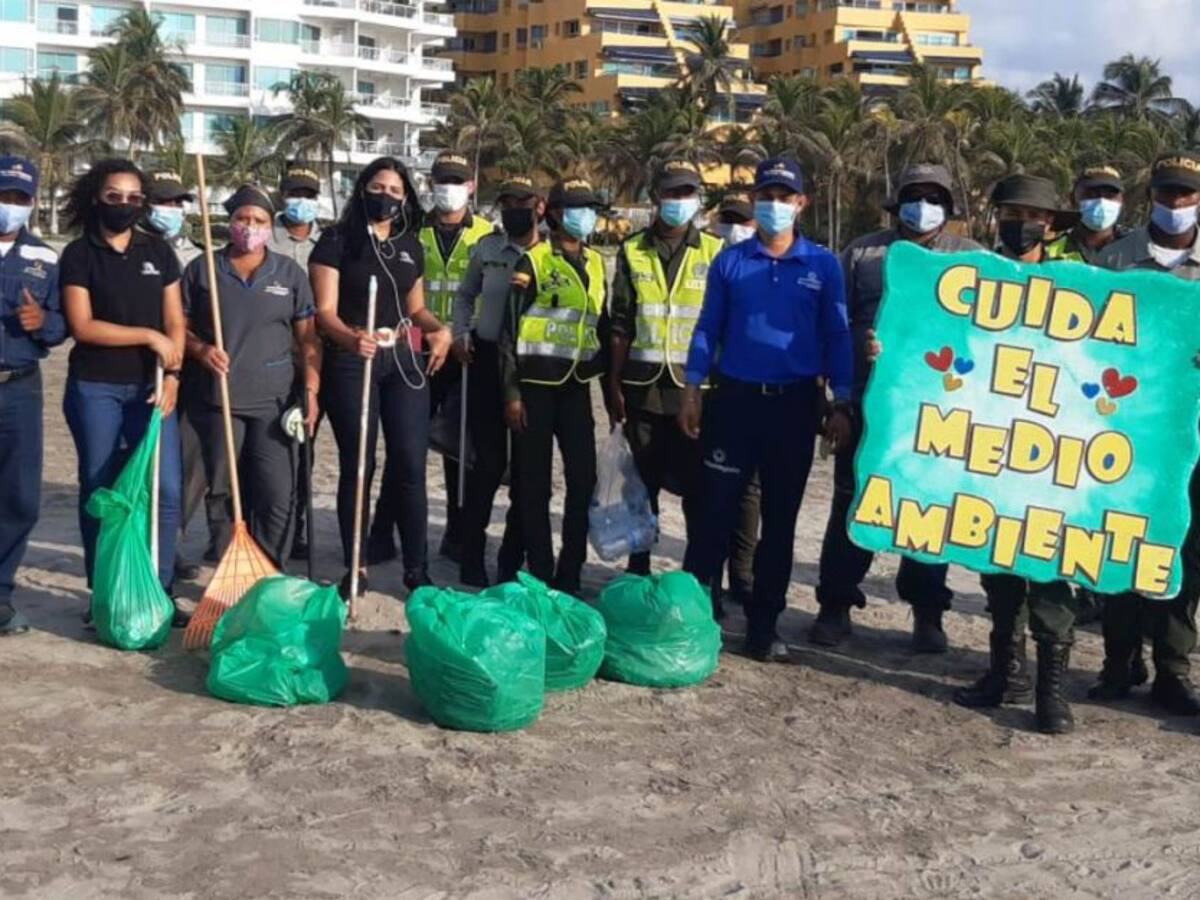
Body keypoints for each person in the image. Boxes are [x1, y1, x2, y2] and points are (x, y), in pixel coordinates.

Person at [679, 157, 853, 662]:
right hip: (733, 401)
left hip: (795, 406)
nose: (774, 205)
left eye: (784, 197)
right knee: (714, 513)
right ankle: (696, 615)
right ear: (754, 201)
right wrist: (692, 388)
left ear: (801, 203)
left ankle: (763, 624)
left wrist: (841, 401)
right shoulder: (730, 262)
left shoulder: (822, 265)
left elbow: (837, 334)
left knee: (780, 522)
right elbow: (708, 327)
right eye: (766, 196)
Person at [926, 174, 1080, 733]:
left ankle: (1050, 692)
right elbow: (939, 342)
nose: (1022, 225)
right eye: (1011, 214)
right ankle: (1004, 672)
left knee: (1050, 568)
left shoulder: (1079, 286)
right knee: (997, 563)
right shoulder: (974, 279)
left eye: (1032, 216)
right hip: (989, 447)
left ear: (1050, 225)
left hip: (1054, 453)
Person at [811, 164, 983, 654]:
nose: (923, 206)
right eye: (914, 195)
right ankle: (835, 605)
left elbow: (990, 336)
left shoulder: (973, 259)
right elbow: (834, 328)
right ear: (897, 203)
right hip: (868, 406)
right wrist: (839, 402)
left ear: (948, 207)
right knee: (853, 501)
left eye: (934, 197)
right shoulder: (862, 253)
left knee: (928, 509)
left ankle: (928, 612)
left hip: (941, 409)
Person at [310, 156, 452, 594]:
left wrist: (439, 329)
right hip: (353, 359)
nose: (385, 197)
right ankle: (356, 565)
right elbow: (324, 312)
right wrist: (351, 338)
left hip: (401, 360)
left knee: (409, 460)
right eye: (377, 188)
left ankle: (416, 570)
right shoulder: (336, 241)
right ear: (361, 190)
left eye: (395, 191)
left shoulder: (410, 246)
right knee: (360, 463)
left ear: (406, 198)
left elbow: (416, 308)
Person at [1090, 152, 1200, 715]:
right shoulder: (1115, 258)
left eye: (1186, 194)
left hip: (1192, 437)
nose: (1176, 203)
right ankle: (1118, 663)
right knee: (1118, 542)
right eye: (1166, 193)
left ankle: (1173, 670)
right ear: (1149, 195)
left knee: (1184, 551)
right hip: (1123, 430)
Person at [59, 158, 186, 624]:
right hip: (96, 387)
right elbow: (83, 325)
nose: (124, 204)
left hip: (152, 388)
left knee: (166, 488)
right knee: (100, 487)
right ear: (97, 197)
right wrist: (148, 337)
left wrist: (173, 375)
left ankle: (160, 588)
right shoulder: (79, 254)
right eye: (115, 196)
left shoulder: (158, 251)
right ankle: (105, 592)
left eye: (134, 197)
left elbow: (175, 321)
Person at [182, 184, 321, 567]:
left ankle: (270, 567)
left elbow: (308, 338)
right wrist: (201, 350)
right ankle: (229, 563)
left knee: (277, 492)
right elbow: (181, 328)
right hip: (220, 399)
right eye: (242, 218)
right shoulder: (204, 269)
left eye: (259, 220)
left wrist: (311, 389)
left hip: (273, 403)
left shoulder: (288, 273)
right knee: (224, 489)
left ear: (270, 224)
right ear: (230, 222)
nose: (250, 226)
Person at [370, 151, 494, 567]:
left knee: (461, 450)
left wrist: (460, 336)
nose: (448, 188)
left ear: (470, 187)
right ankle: (383, 531)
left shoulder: (486, 236)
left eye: (457, 181)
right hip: (415, 351)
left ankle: (458, 534)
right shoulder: (410, 230)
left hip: (464, 352)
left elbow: (487, 296)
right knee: (406, 447)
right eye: (442, 180)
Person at [607, 159, 724, 584]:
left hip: (695, 392)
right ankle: (638, 570)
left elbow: (722, 323)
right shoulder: (632, 249)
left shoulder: (715, 251)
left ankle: (698, 578)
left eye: (686, 193)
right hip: (642, 387)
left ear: (698, 199)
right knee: (641, 486)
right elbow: (621, 323)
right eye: (671, 192)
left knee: (699, 490)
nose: (678, 200)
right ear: (656, 196)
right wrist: (613, 384)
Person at [500, 176, 611, 593]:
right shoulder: (534, 261)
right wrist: (512, 393)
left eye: (590, 208)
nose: (586, 216)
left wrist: (611, 392)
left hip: (576, 386)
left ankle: (571, 570)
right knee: (534, 486)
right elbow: (510, 332)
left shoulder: (596, 262)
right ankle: (541, 570)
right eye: (578, 208)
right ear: (557, 213)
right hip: (534, 387)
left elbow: (600, 326)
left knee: (582, 481)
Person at [448, 175, 541, 586]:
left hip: (534, 369)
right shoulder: (487, 248)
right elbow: (465, 294)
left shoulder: (550, 253)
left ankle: (510, 561)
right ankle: (471, 557)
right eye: (507, 203)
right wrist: (459, 332)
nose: (514, 210)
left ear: (538, 206)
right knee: (485, 467)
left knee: (525, 471)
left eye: (522, 202)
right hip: (486, 361)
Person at [0, 157, 64, 635]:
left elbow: (63, 324)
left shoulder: (45, 258)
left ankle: (0, 593)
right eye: (3, 195)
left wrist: (43, 323)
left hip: (19, 387)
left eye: (19, 198)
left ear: (33, 202)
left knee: (19, 495)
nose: (10, 205)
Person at [144, 169, 203, 581]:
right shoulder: (136, 246)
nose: (172, 209)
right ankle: (142, 541)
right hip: (144, 368)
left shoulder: (191, 253)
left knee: (185, 465)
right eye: (163, 202)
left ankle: (170, 543)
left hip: (186, 369)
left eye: (177, 203)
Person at [705, 191, 762, 610]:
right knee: (714, 488)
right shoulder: (710, 258)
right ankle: (710, 579)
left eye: (743, 220)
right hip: (708, 386)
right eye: (728, 219)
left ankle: (742, 574)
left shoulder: (764, 263)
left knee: (749, 491)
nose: (735, 227)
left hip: (749, 387)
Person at [269, 163, 324, 563]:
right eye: (294, 193)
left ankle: (296, 527)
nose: (300, 201)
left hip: (313, 357)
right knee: (265, 447)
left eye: (308, 195)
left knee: (303, 445)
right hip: (268, 356)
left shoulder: (328, 242)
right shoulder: (264, 237)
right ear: (281, 196)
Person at [1046, 165, 1127, 264]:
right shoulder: (1050, 253)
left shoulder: (1135, 248)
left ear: (1122, 201)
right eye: (1091, 195)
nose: (1101, 202)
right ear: (1073, 199)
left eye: (1109, 195)